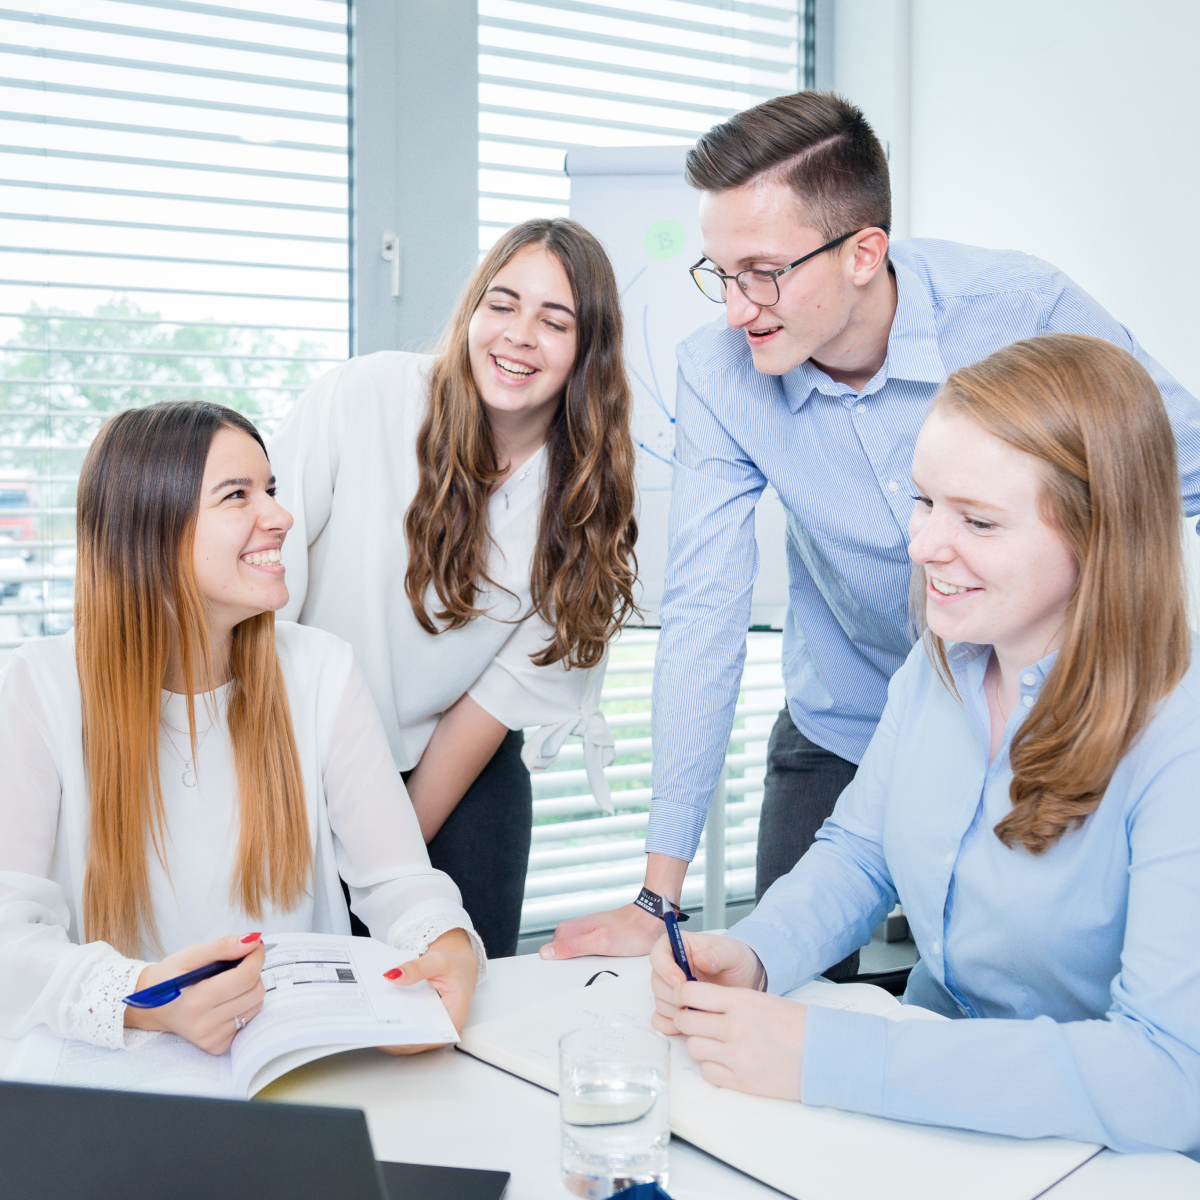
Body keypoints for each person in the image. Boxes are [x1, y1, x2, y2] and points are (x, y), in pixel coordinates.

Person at [542, 91, 1200, 966]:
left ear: (863, 252)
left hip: (1049, 714)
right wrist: (657, 895)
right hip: (846, 716)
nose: (737, 308)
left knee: (1022, 976)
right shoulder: (719, 373)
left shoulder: (1017, 308)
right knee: (775, 961)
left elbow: (1175, 468)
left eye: (764, 272)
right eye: (721, 272)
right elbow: (703, 613)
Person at [648, 335, 1200, 1155]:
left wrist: (834, 1058)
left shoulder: (1179, 740)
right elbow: (860, 853)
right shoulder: (942, 661)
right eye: (924, 501)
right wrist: (756, 951)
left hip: (1095, 1159)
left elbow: (1169, 1078)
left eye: (977, 520)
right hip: (935, 1125)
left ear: (1100, 535)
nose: (923, 546)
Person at [0, 401, 483, 1055]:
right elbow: (9, 936)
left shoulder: (322, 669)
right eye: (237, 495)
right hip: (120, 1076)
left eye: (272, 490)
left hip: (298, 1061)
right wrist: (147, 998)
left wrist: (446, 948)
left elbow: (398, 880)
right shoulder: (39, 686)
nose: (281, 517)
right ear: (149, 528)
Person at [270, 218, 638, 959]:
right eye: (502, 305)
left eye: (555, 321)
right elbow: (257, 588)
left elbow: (487, 709)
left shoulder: (583, 504)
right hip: (293, 749)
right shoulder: (363, 398)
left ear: (589, 351)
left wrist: (389, 870)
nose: (518, 336)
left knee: (451, 987)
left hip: (452, 769)